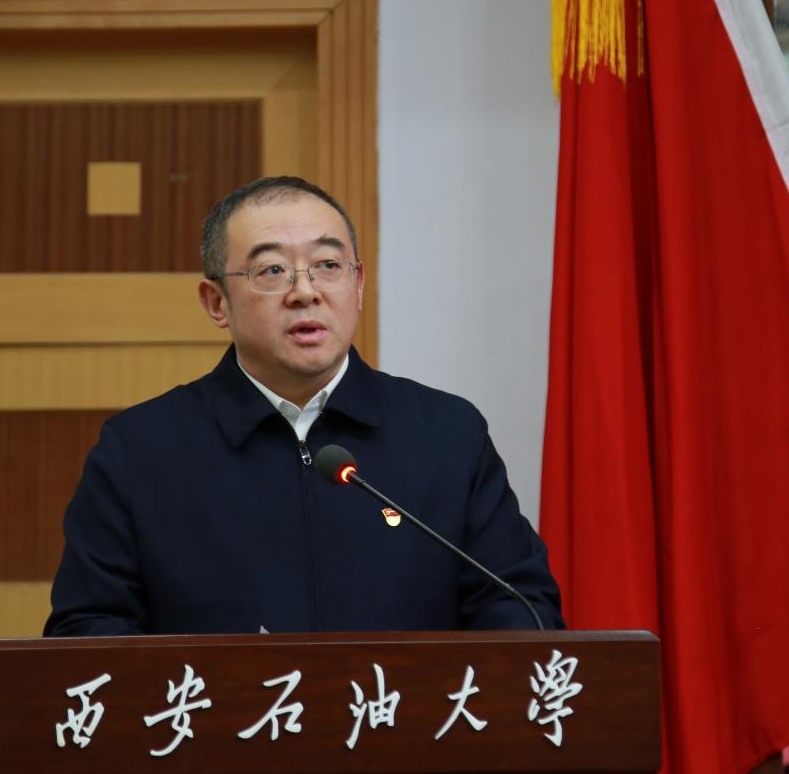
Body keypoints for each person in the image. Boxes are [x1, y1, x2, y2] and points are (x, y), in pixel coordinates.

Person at [44, 176, 563, 636]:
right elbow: (90, 630)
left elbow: (521, 607)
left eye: (328, 265)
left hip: (401, 717)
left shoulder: (447, 435)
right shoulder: (140, 451)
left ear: (358, 285)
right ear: (217, 303)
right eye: (271, 270)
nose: (305, 292)